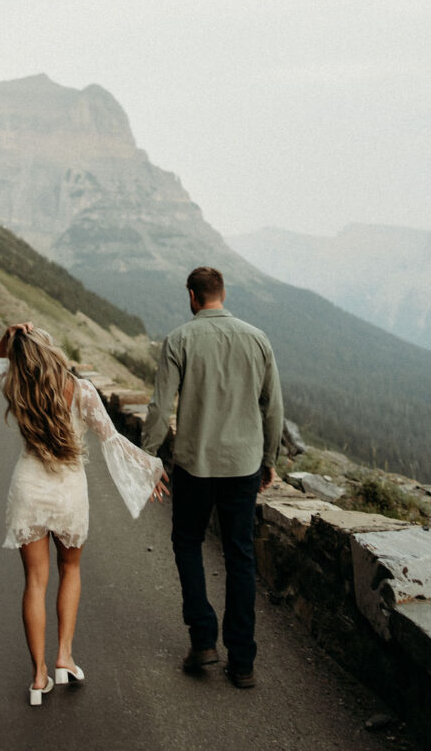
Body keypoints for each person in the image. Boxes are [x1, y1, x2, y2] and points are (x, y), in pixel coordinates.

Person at [0, 322, 166, 706]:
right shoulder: (80, 391)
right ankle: (64, 656)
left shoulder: (16, 387)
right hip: (68, 493)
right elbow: (112, 441)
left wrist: (10, 335)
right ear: (52, 351)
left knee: (35, 581)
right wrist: (149, 471)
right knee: (71, 570)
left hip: (29, 488)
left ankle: (38, 677)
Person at [143, 267, 284, 688]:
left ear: (192, 296)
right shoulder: (258, 339)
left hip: (193, 466)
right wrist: (269, 460)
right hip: (243, 466)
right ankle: (242, 662)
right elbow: (273, 407)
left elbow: (159, 407)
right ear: (223, 294)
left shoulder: (180, 340)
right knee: (240, 555)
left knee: (187, 542)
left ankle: (203, 640)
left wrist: (148, 457)